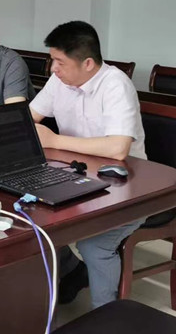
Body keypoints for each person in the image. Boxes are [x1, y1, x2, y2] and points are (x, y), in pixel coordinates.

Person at [29, 21, 145, 308]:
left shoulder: (115, 84)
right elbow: (29, 116)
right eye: (52, 60)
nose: (53, 69)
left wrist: (54, 140)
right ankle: (72, 273)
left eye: (60, 62)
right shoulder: (59, 80)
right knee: (31, 221)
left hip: (127, 187)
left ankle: (106, 318)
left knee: (95, 244)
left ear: (88, 63)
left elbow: (117, 148)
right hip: (75, 176)